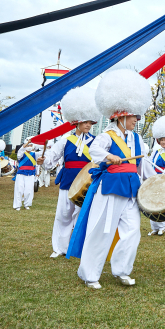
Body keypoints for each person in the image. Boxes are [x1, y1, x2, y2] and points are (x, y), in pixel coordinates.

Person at [67, 69, 151, 289]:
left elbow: (143, 165)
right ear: (122, 115)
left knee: (132, 230)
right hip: (110, 187)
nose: (137, 120)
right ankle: (89, 274)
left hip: (131, 189)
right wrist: (108, 156)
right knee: (102, 230)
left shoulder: (137, 139)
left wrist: (158, 181)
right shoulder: (106, 135)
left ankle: (122, 270)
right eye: (134, 116)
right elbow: (93, 151)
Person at [42, 87, 100, 258]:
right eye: (85, 122)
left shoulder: (97, 142)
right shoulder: (65, 139)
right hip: (68, 181)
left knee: (83, 216)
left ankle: (79, 248)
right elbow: (50, 161)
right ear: (76, 121)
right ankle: (59, 248)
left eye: (91, 122)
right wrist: (43, 161)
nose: (88, 125)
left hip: (87, 182)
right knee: (63, 215)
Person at [13, 139, 44, 210]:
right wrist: (27, 143)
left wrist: (44, 145)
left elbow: (43, 153)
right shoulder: (21, 153)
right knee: (19, 189)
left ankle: (27, 204)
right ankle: (17, 205)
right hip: (21, 174)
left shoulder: (35, 154)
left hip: (30, 174)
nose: (29, 146)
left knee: (29, 190)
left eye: (31, 145)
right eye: (28, 145)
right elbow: (20, 152)